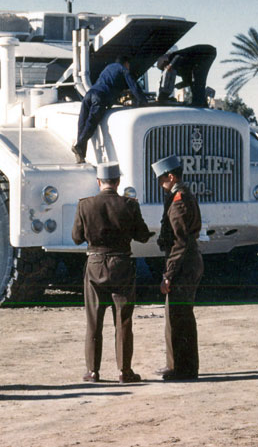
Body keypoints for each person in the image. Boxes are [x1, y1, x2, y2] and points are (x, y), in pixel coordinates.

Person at [72, 162, 154, 383]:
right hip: (121, 264)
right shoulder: (129, 205)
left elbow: (77, 238)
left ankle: (92, 371)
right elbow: (143, 236)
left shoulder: (85, 205)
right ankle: (124, 371)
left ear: (99, 182)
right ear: (118, 182)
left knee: (94, 321)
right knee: (123, 320)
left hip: (95, 263)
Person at [151, 154, 204, 381]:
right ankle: (176, 365)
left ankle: (184, 369)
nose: (161, 183)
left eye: (162, 179)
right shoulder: (179, 196)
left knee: (180, 317)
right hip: (186, 261)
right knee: (177, 315)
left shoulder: (179, 200)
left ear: (171, 177)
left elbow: (180, 242)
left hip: (184, 264)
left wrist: (168, 275)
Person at [72, 59, 148, 163]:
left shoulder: (108, 67)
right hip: (100, 97)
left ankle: (81, 154)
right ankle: (79, 145)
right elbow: (133, 85)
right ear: (126, 63)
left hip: (89, 94)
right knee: (92, 122)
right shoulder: (123, 69)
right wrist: (143, 101)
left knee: (82, 122)